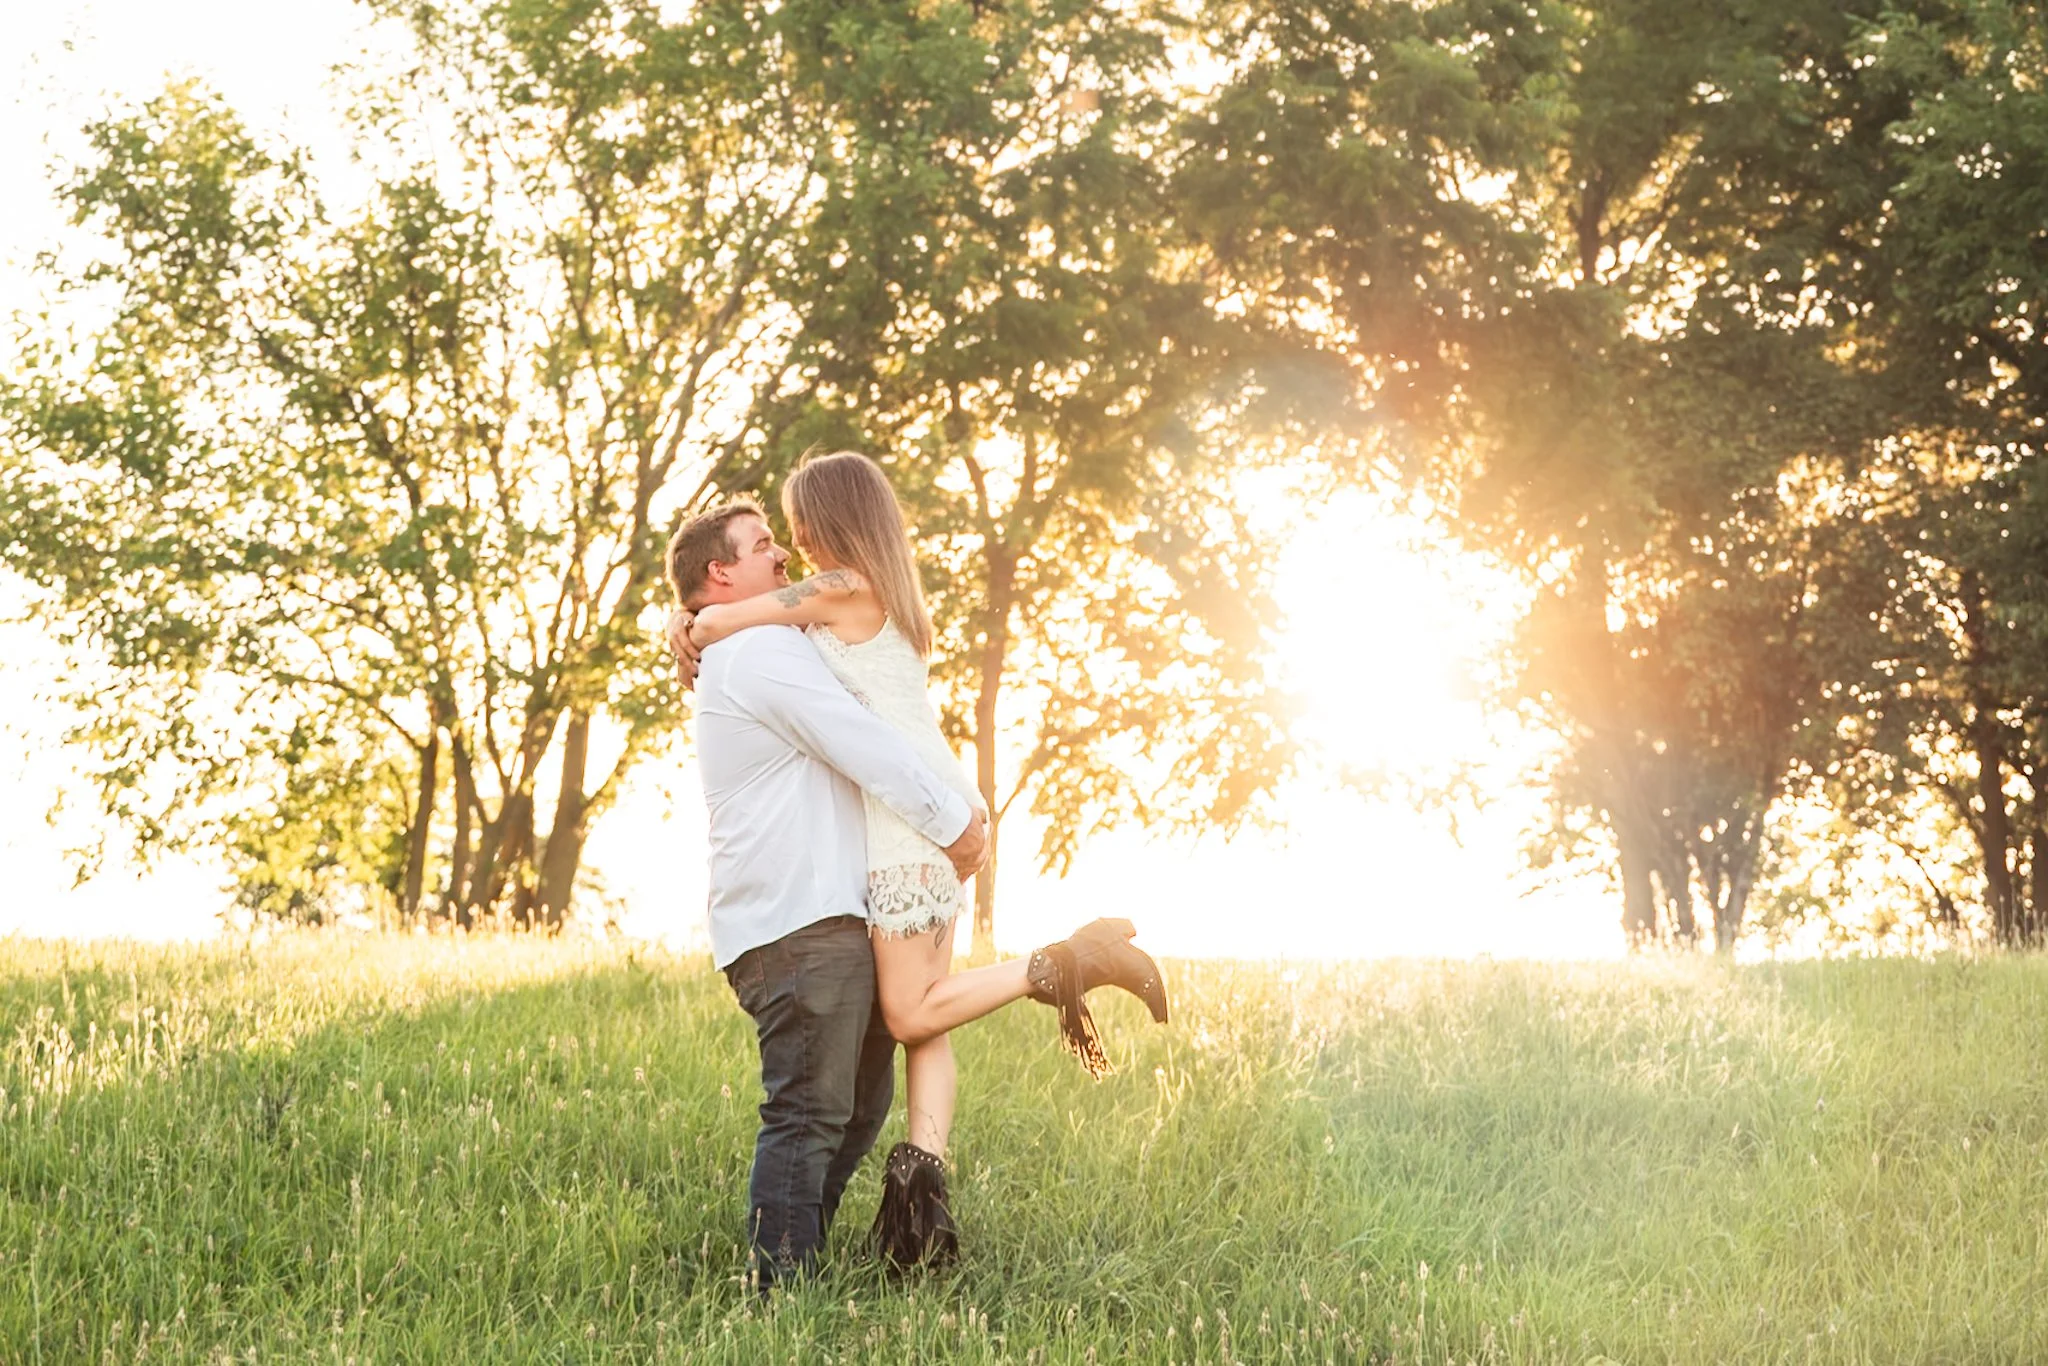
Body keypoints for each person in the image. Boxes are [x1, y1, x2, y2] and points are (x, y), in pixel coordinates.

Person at [667, 455, 1169, 1273]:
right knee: (897, 1048)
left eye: (792, 528)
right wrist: (691, 617)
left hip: (910, 830)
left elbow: (743, 623)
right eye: (767, 541)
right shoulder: (841, 611)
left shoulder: (815, 603)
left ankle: (1057, 964)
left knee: (904, 1025)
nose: (788, 550)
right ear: (722, 571)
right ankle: (903, 1212)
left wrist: (695, 620)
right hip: (918, 823)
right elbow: (759, 631)